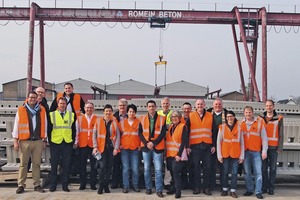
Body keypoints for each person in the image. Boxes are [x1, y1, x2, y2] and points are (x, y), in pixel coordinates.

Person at [12, 91, 47, 194]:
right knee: (23, 164)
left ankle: (37, 184)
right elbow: (16, 125)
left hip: (38, 141)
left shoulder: (42, 110)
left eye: (34, 97)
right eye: (31, 97)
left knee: (36, 164)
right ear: (27, 98)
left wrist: (44, 139)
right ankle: (21, 185)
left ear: (37, 99)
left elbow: (45, 125)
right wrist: (15, 140)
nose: (32, 99)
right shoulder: (21, 110)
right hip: (24, 141)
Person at [50, 82, 85, 177]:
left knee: (72, 153)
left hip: (74, 122)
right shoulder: (59, 97)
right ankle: (61, 173)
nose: (67, 90)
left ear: (72, 89)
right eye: (66, 88)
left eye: (69, 88)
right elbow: (52, 109)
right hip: (61, 122)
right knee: (60, 158)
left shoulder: (77, 97)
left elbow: (84, 108)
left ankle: (72, 171)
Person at [185, 99, 218, 195]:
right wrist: (187, 146)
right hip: (195, 146)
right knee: (196, 168)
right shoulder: (190, 116)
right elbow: (186, 132)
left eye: (201, 104)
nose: (200, 106)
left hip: (207, 146)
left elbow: (214, 132)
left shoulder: (210, 116)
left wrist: (214, 145)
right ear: (195, 106)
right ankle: (196, 187)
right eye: (198, 104)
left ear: (204, 105)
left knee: (207, 168)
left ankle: (206, 187)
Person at [138, 100, 167, 198]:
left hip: (157, 147)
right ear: (147, 107)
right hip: (146, 148)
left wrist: (153, 143)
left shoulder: (162, 118)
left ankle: (159, 190)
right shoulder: (141, 118)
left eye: (153, 106)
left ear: (156, 107)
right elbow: (140, 133)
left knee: (158, 169)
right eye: (149, 106)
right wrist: (147, 143)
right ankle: (148, 188)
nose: (151, 108)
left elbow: (163, 133)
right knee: (147, 169)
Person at [48, 97, 76, 192]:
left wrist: (72, 141)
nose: (62, 105)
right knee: (54, 165)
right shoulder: (52, 115)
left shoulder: (71, 115)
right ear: (58, 104)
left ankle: (65, 185)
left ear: (66, 105)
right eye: (60, 103)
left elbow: (73, 129)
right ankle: (53, 185)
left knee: (66, 165)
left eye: (64, 103)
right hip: (55, 142)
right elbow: (49, 129)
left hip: (67, 143)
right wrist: (50, 141)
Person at [92, 104, 120, 195]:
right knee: (102, 167)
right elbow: (94, 135)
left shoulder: (115, 121)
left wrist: (116, 148)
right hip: (101, 149)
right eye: (106, 111)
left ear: (112, 112)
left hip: (111, 149)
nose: (108, 112)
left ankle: (106, 185)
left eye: (110, 111)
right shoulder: (98, 121)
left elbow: (118, 136)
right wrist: (95, 147)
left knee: (109, 168)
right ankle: (101, 185)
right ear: (103, 112)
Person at [241, 106, 268, 199]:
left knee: (258, 172)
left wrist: (264, 151)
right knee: (247, 172)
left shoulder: (260, 123)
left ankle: (258, 191)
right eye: (246, 112)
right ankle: (249, 190)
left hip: (256, 152)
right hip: (245, 152)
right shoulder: (240, 124)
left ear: (253, 113)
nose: (248, 114)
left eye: (250, 112)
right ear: (244, 113)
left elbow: (264, 138)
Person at [217, 110, 244, 198]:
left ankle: (233, 190)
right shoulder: (222, 127)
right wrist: (219, 155)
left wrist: (242, 156)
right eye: (228, 117)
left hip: (235, 154)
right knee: (224, 172)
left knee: (234, 173)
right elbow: (218, 142)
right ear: (226, 118)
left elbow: (242, 143)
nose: (229, 118)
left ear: (234, 117)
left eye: (231, 116)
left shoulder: (239, 127)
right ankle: (225, 189)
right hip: (225, 154)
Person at [260, 100, 284, 195]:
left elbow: (281, 133)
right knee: (264, 169)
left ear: (273, 107)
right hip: (263, 147)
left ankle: (271, 188)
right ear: (265, 107)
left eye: (270, 106)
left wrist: (279, 147)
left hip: (274, 147)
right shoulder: (261, 118)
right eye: (267, 106)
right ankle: (264, 187)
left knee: (273, 169)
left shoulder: (279, 118)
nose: (268, 107)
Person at [165, 110, 189, 199]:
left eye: (176, 116)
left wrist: (179, 154)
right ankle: (174, 188)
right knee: (172, 172)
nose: (174, 118)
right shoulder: (171, 127)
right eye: (172, 117)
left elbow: (184, 142)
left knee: (175, 172)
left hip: (178, 154)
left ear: (179, 118)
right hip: (170, 154)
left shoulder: (183, 127)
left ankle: (178, 191)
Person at [75, 102, 97, 190]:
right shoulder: (79, 119)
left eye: (91, 108)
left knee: (94, 166)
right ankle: (82, 184)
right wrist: (76, 142)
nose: (89, 109)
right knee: (82, 165)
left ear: (93, 109)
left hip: (93, 145)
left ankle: (93, 184)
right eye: (87, 108)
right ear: (84, 108)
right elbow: (77, 132)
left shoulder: (97, 119)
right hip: (83, 145)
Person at [119, 104, 141, 193]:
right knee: (126, 168)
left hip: (135, 149)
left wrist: (140, 145)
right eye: (130, 111)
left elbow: (142, 135)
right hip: (124, 149)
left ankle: (135, 185)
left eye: (133, 112)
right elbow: (118, 135)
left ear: (135, 113)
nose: (131, 113)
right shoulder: (122, 123)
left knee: (135, 168)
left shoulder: (139, 122)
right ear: (127, 112)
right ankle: (126, 186)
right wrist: (119, 145)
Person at [207, 98, 227, 191]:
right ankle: (211, 184)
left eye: (219, 104)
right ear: (212, 105)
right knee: (211, 166)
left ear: (222, 105)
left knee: (223, 166)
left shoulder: (227, 114)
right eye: (216, 104)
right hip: (210, 144)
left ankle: (223, 185)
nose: (218, 106)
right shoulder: (207, 114)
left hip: (224, 145)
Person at [111, 98, 128, 189]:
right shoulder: (113, 117)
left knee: (124, 165)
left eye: (124, 105)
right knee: (115, 164)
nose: (122, 107)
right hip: (116, 145)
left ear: (126, 106)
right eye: (120, 105)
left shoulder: (130, 116)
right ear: (118, 107)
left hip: (126, 144)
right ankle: (114, 182)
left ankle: (122, 182)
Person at [157, 97, 173, 191]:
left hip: (170, 143)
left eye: (167, 103)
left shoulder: (173, 114)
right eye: (164, 104)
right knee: (158, 163)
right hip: (159, 142)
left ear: (169, 104)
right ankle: (158, 182)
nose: (165, 105)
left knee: (168, 163)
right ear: (161, 104)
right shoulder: (158, 114)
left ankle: (167, 182)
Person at [180, 102, 192, 189]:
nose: (186, 110)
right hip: (182, 145)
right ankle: (184, 183)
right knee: (183, 166)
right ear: (182, 109)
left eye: (188, 108)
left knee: (192, 165)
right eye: (185, 109)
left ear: (191, 109)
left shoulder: (194, 118)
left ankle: (192, 183)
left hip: (192, 145)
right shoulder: (180, 119)